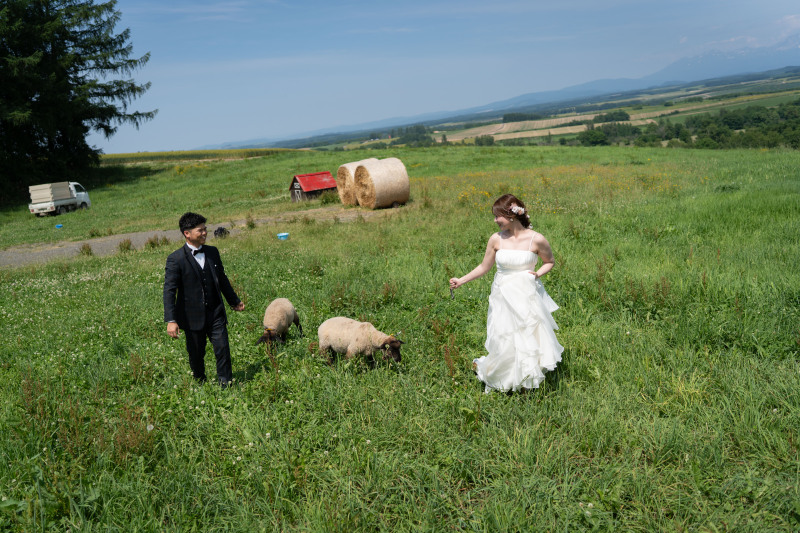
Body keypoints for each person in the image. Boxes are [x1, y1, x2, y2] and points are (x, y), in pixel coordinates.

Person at [449, 194, 563, 393]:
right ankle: (503, 377)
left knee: (527, 337)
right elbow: (484, 267)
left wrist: (537, 274)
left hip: (526, 296)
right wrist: (461, 280)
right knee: (504, 336)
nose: (494, 221)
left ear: (511, 215)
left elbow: (550, 261)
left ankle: (526, 380)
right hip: (502, 295)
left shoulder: (536, 239)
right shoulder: (496, 239)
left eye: (497, 216)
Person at [163, 212, 245, 386]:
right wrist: (171, 320)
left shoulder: (213, 252)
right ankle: (200, 383)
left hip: (216, 312)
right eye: (200, 230)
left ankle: (226, 384)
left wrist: (234, 301)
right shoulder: (175, 259)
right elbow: (169, 291)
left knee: (223, 349)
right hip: (192, 317)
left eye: (205, 229)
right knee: (196, 353)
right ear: (187, 233)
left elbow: (222, 279)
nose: (205, 233)